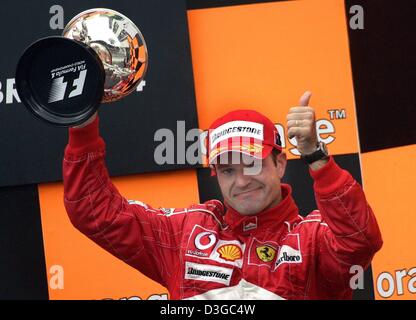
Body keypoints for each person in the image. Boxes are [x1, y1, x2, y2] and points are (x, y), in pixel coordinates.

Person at [63, 91, 382, 299]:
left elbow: (360, 240)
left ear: (280, 162)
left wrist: (316, 156)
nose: (241, 181)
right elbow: (95, 212)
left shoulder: (311, 238)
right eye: (228, 170)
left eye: (251, 163)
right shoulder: (187, 232)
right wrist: (83, 124)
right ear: (215, 174)